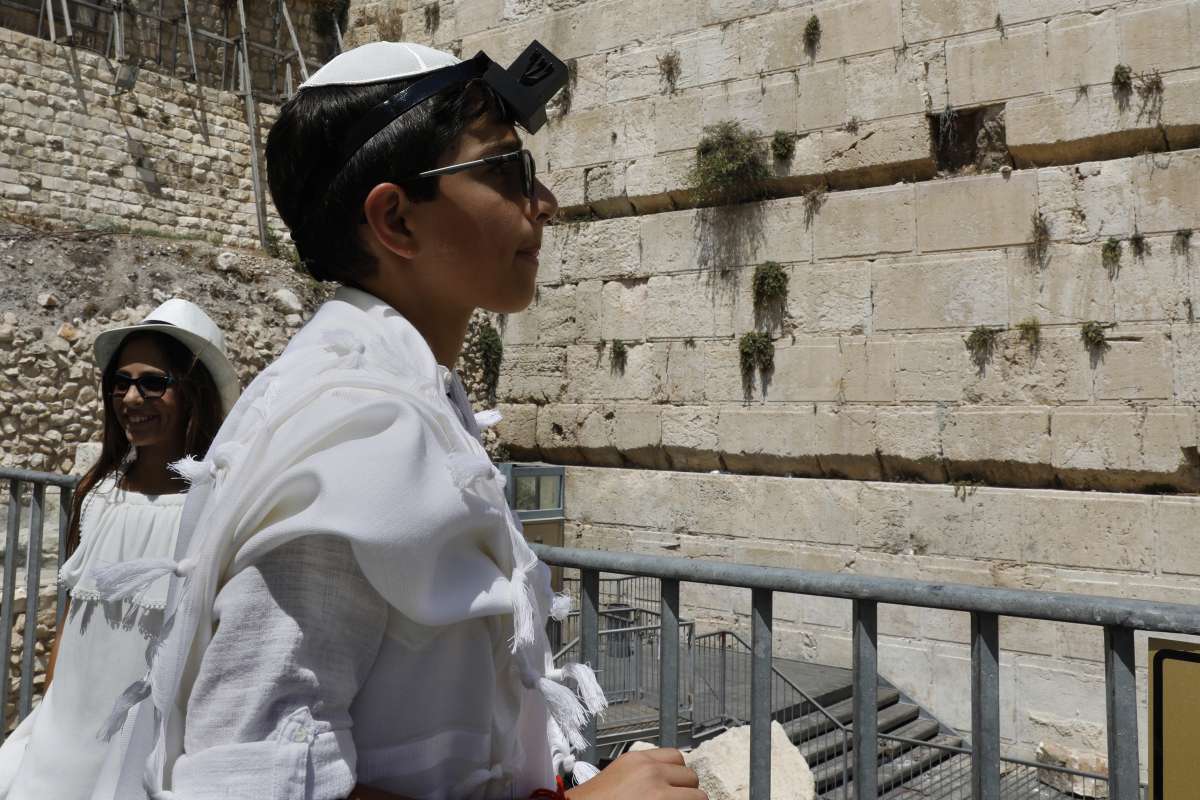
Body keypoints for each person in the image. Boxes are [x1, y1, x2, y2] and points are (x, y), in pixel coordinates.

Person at [96, 41, 706, 800]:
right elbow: (253, 781)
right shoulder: (353, 438)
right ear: (396, 220)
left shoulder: (400, 396)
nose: (543, 201)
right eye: (507, 171)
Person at [0, 299, 238, 799]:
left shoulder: (219, 509)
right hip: (62, 736)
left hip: (146, 748)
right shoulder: (96, 494)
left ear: (194, 393)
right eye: (121, 382)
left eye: (153, 382)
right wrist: (47, 708)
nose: (131, 397)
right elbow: (75, 614)